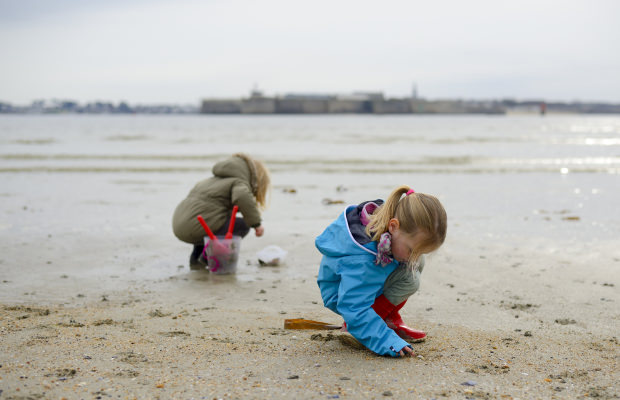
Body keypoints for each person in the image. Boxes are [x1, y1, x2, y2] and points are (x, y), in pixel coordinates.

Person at [315, 185, 447, 357]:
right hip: (342, 295)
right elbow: (353, 306)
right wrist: (387, 341)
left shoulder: (392, 218)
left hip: (362, 281)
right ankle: (355, 327)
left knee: (416, 264)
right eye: (411, 250)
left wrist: (412, 253)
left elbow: (408, 253)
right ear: (393, 226)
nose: (413, 257)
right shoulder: (363, 259)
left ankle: (387, 318)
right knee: (409, 280)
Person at [172, 153, 270, 269]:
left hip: (180, 225)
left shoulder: (208, 181)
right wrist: (256, 224)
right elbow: (242, 197)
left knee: (209, 222)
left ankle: (195, 260)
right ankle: (208, 258)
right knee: (242, 226)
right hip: (197, 225)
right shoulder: (237, 182)